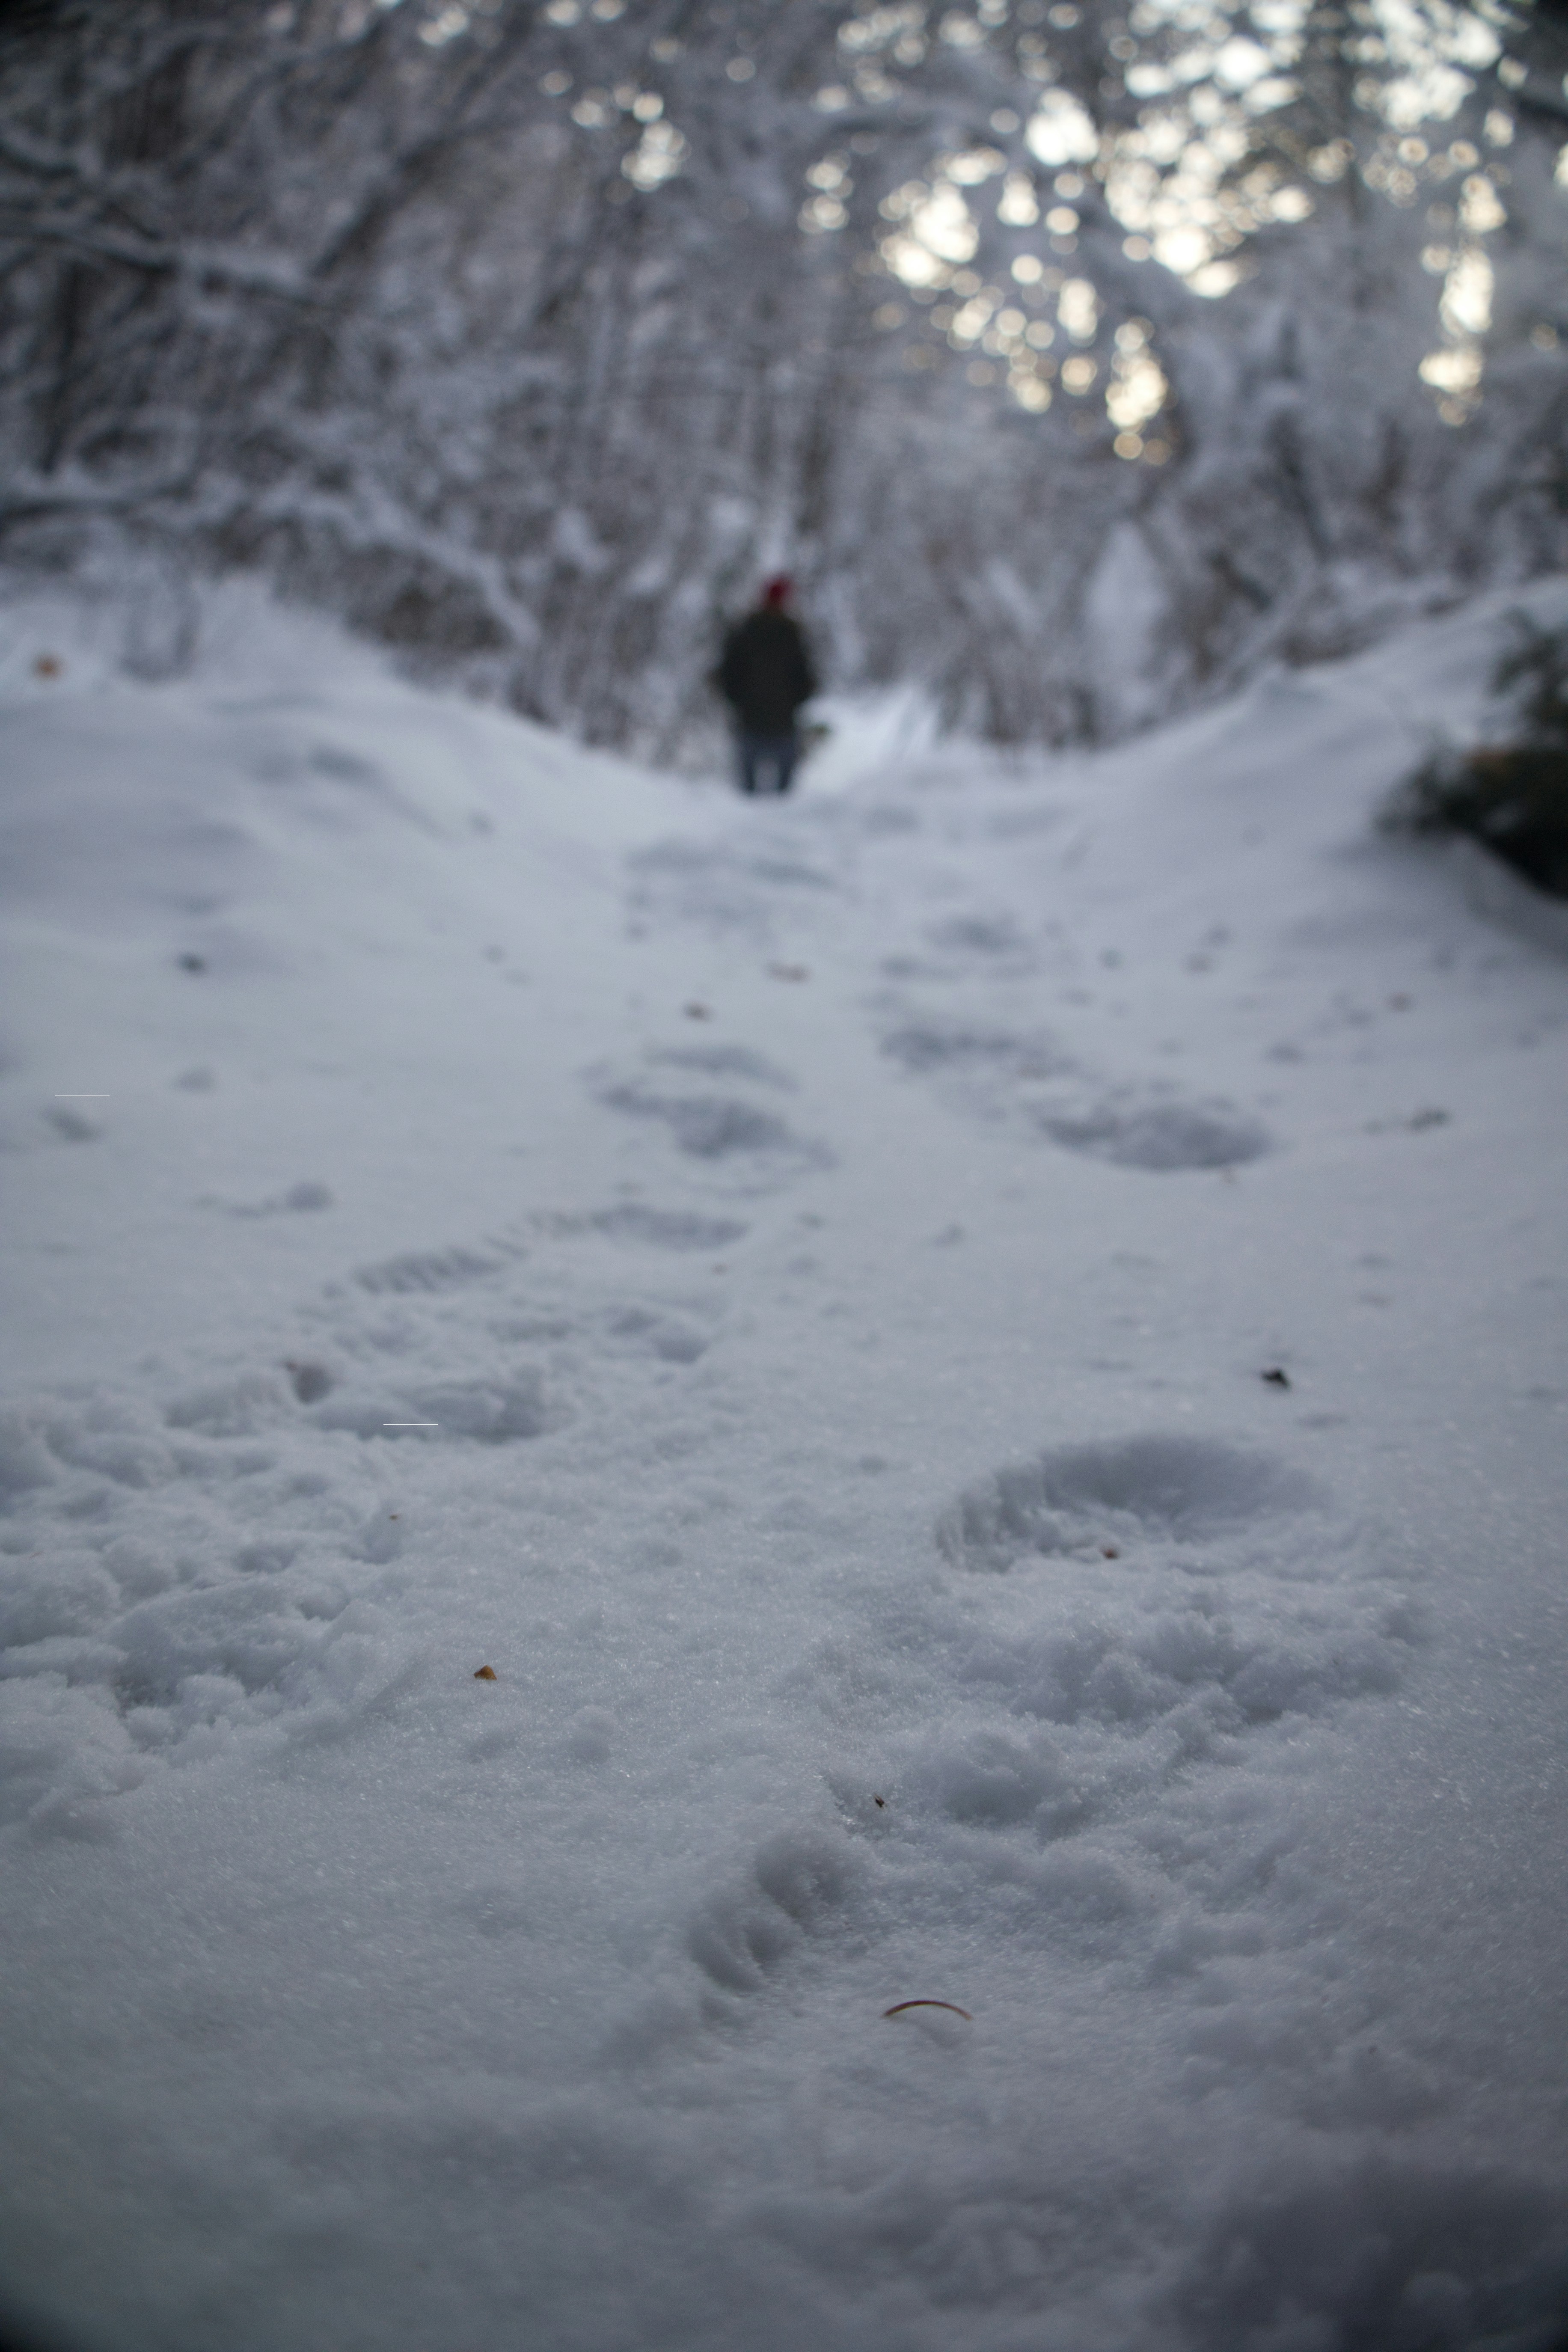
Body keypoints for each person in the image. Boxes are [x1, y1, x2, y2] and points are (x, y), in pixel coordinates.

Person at [717, 576, 817, 796]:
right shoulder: (793, 635)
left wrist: (737, 701)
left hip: (751, 721)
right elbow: (807, 680)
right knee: (784, 799)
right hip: (782, 723)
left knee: (747, 797)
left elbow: (726, 674)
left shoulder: (745, 631)